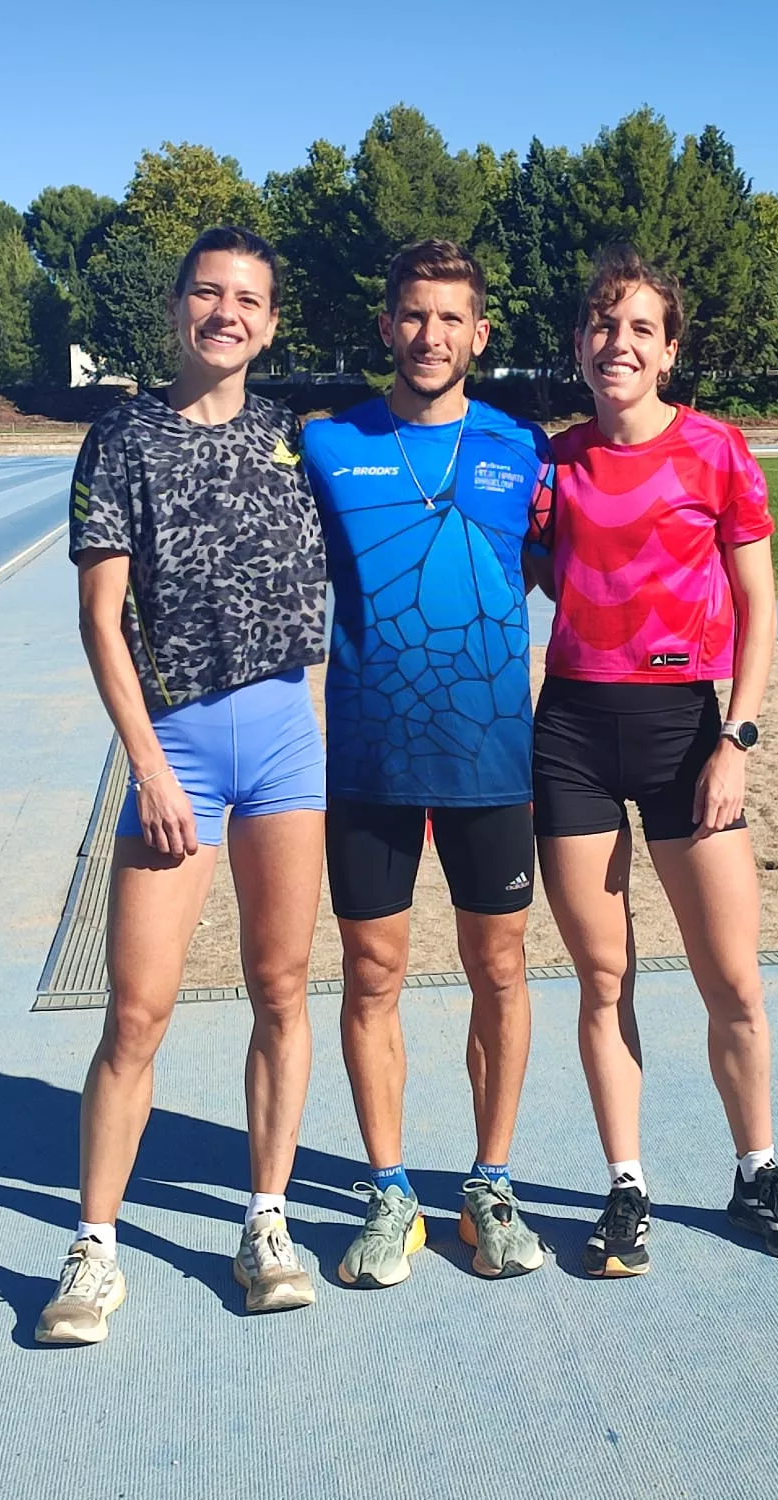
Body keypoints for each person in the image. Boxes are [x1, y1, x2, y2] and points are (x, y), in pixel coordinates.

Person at [37, 226, 328, 1338]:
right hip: (179, 757)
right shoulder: (121, 439)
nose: (226, 313)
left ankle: (266, 1220)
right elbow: (98, 622)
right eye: (208, 293)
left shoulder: (291, 435)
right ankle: (93, 1248)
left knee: (280, 989)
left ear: (270, 321)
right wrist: (149, 767)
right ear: (175, 308)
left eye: (247, 299)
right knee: (137, 1010)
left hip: (286, 744)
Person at [532, 244, 778, 1278]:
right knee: (603, 978)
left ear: (669, 350)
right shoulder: (553, 464)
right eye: (601, 325)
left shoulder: (716, 451)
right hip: (571, 736)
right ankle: (626, 1187)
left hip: (686, 737)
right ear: (579, 344)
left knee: (733, 982)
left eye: (640, 329)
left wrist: (735, 739)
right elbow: (529, 577)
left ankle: (755, 1170)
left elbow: (759, 606)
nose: (617, 344)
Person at [302, 239, 551, 1288]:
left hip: (490, 755)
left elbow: (556, 571)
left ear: (479, 334)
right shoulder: (327, 444)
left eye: (450, 318)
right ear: (385, 325)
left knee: (500, 968)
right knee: (372, 974)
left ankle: (489, 1184)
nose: (429, 335)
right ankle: (390, 1189)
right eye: (412, 314)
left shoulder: (522, 446)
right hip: (369, 759)